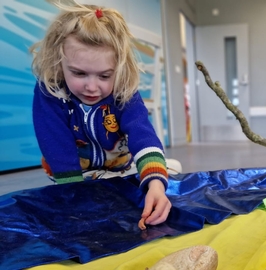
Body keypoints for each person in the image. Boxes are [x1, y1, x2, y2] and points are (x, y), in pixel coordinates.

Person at [30, 1, 171, 227]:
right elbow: (56, 146)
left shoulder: (124, 90)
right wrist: (75, 192)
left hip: (119, 169)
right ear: (59, 62)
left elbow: (141, 132)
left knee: (157, 176)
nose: (92, 87)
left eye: (105, 76)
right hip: (73, 174)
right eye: (79, 73)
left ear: (119, 69)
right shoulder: (50, 90)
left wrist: (155, 183)